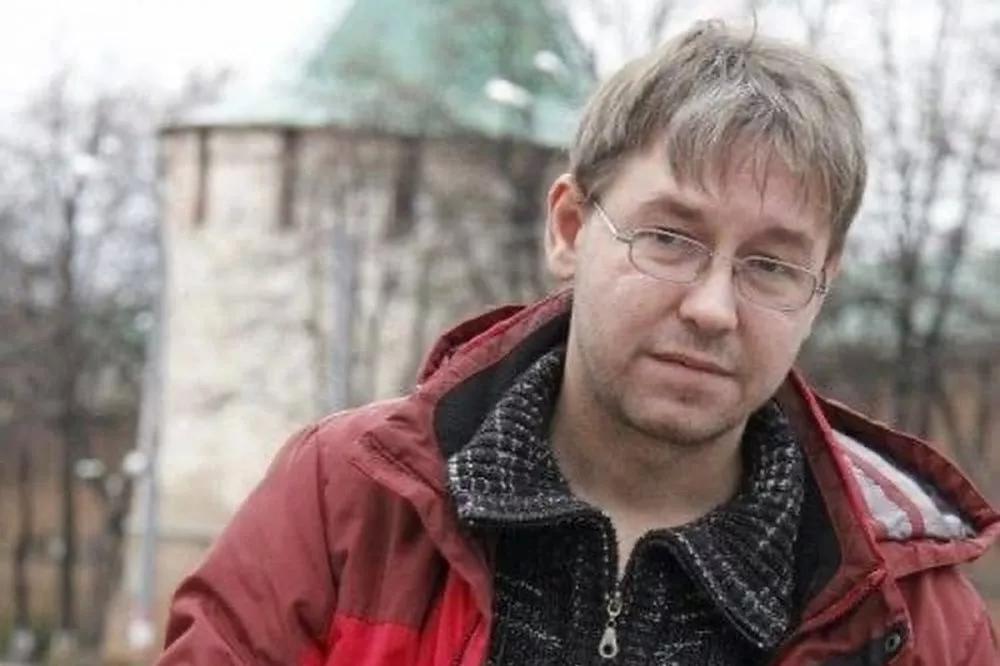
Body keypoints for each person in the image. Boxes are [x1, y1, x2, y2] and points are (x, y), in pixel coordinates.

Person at [156, 19, 1000, 666]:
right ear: (569, 228)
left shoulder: (909, 618)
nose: (713, 307)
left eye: (772, 265)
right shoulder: (351, 503)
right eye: (668, 238)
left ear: (822, 285)